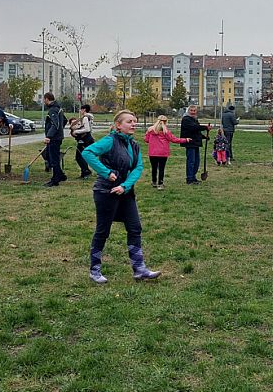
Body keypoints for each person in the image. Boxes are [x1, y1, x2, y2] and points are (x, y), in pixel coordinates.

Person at [82, 110, 161, 284]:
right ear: (118, 125)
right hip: (106, 193)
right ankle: (95, 270)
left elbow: (138, 168)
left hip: (125, 193)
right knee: (103, 231)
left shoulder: (134, 145)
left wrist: (124, 186)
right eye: (129, 121)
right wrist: (106, 172)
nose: (134, 124)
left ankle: (139, 269)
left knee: (135, 228)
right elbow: (87, 152)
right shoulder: (110, 141)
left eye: (135, 121)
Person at [144, 115, 190, 189]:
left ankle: (154, 182)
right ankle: (160, 184)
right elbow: (174, 139)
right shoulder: (166, 132)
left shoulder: (150, 131)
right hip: (163, 153)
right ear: (166, 122)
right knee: (161, 168)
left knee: (154, 168)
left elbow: (146, 140)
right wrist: (185, 140)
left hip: (152, 152)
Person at [180, 105, 211, 185]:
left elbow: (196, 131)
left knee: (196, 161)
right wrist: (205, 127)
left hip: (196, 143)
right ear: (188, 111)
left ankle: (193, 177)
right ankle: (189, 179)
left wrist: (204, 137)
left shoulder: (194, 119)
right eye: (191, 110)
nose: (193, 112)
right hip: (190, 143)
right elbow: (193, 128)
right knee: (191, 161)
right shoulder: (186, 119)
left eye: (194, 110)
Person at [42, 92, 68, 187]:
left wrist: (49, 136)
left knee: (53, 160)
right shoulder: (58, 109)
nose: (44, 102)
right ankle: (61, 175)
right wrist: (60, 131)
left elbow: (55, 124)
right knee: (52, 157)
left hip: (54, 139)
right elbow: (64, 120)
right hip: (58, 137)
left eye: (44, 100)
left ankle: (55, 180)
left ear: (47, 99)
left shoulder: (53, 110)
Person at [70, 104, 95, 179]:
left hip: (85, 139)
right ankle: (85, 172)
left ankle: (86, 172)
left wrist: (76, 131)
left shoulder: (85, 118)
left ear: (84, 110)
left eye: (81, 110)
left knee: (79, 157)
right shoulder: (89, 117)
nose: (80, 111)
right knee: (82, 156)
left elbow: (87, 129)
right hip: (87, 139)